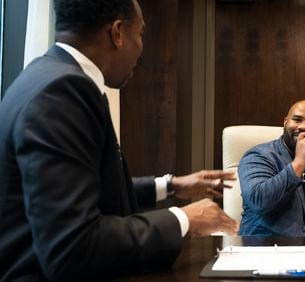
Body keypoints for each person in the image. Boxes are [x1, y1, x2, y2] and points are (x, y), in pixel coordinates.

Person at [0, 0, 238, 281]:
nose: (140, 48)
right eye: (140, 34)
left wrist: (171, 185)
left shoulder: (46, 75)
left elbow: (81, 187)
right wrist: (184, 218)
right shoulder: (63, 91)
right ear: (117, 32)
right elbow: (73, 248)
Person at [238, 100, 305, 236]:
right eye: (297, 120)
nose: (303, 127)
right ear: (285, 122)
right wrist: (299, 162)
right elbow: (258, 201)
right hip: (267, 250)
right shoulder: (258, 156)